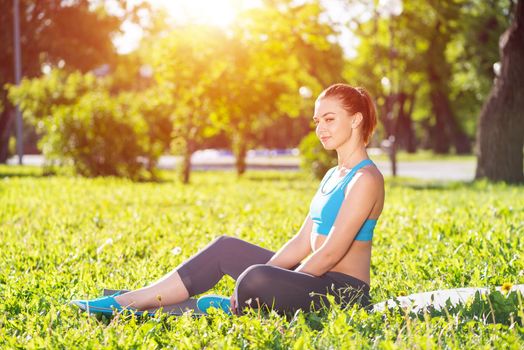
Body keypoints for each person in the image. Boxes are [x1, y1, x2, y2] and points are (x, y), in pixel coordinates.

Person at [71, 83, 384, 316]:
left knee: (257, 278)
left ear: (355, 120)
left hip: (343, 294)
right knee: (226, 248)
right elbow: (302, 242)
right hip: (312, 280)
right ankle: (131, 300)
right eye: (318, 121)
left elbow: (330, 254)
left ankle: (221, 304)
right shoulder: (333, 175)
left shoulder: (365, 179)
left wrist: (274, 282)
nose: (321, 129)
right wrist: (275, 275)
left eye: (330, 119)